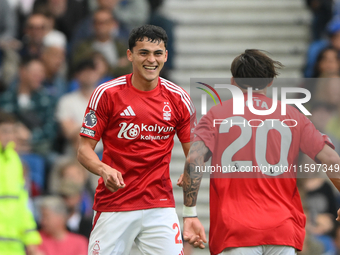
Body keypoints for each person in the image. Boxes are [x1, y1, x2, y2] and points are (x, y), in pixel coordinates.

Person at [182, 49, 340, 255]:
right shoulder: (293, 115)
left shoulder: (216, 115)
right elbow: (330, 158)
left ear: (233, 82)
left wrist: (189, 213)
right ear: (270, 82)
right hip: (282, 229)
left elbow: (194, 161)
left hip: (236, 230)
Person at [77, 24, 196, 254]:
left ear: (166, 56)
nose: (151, 60)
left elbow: (197, 153)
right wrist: (103, 169)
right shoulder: (106, 93)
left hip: (159, 205)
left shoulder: (179, 98)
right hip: (114, 203)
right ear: (130, 54)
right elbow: (84, 150)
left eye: (157, 53)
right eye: (144, 53)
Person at [0, 110, 42, 255]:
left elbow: (23, 204)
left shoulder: (14, 160)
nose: (10, 137)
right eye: (5, 132)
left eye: (12, 132)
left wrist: (31, 241)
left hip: (15, 247)